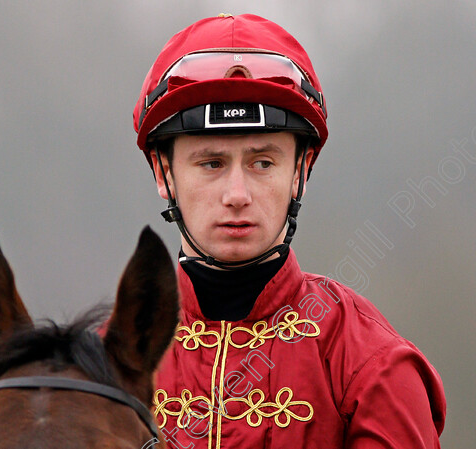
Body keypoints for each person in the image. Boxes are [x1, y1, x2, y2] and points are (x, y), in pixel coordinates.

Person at [131, 13, 446, 449]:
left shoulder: (371, 362)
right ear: (163, 172)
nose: (237, 194)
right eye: (211, 164)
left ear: (300, 171)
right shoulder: (99, 363)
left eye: (263, 163)